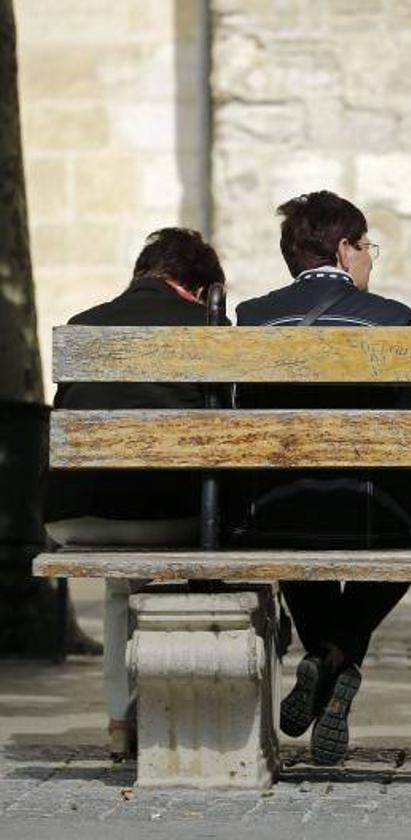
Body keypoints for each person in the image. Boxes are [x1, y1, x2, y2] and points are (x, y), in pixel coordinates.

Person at [234, 190, 411, 765]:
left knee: (295, 532)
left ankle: (320, 656)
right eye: (367, 248)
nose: (369, 260)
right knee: (410, 536)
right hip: (369, 508)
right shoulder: (393, 319)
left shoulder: (251, 318)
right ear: (344, 248)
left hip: (277, 510)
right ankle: (333, 656)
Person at [45, 228, 228, 760]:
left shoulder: (82, 327)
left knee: (122, 582)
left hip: (75, 516)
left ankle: (122, 718)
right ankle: (200, 708)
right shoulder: (207, 327)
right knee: (214, 541)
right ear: (198, 287)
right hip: (171, 515)